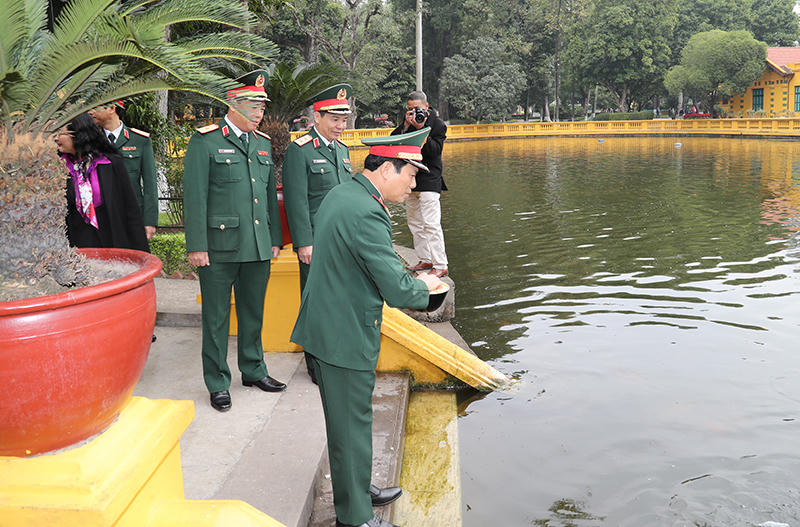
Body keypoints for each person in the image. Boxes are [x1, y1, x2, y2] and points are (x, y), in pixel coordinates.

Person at [291, 128, 444, 527]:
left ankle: (359, 488)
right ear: (389, 169)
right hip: (342, 334)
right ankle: (355, 518)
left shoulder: (346, 194)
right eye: (411, 175)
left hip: (333, 324)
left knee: (353, 422)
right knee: (349, 429)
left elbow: (364, 260)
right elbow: (396, 288)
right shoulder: (365, 210)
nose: (413, 185)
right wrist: (426, 287)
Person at [183, 69, 285, 412]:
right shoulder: (206, 141)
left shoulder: (262, 144)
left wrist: (274, 238)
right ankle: (217, 381)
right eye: (253, 106)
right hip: (218, 247)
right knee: (215, 319)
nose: (259, 113)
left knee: (253, 312)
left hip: (256, 245)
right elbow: (194, 197)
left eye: (261, 107)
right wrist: (196, 245)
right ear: (234, 104)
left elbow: (269, 196)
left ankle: (254, 370)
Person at [283, 83, 354, 383]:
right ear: (317, 117)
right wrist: (304, 243)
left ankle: (336, 355)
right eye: (335, 119)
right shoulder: (299, 151)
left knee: (339, 300)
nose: (341, 125)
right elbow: (296, 201)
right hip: (316, 242)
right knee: (315, 303)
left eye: (344, 119)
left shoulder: (343, 150)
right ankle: (315, 364)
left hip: (342, 242)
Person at [56, 112, 149, 252]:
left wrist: (141, 250)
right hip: (76, 244)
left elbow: (130, 206)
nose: (56, 138)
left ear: (78, 134)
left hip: (111, 239)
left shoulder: (110, 162)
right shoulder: (58, 166)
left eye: (61, 133)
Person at [391, 90, 448, 277]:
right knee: (415, 223)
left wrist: (422, 129)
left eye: (417, 108)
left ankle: (440, 264)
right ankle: (425, 260)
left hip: (430, 179)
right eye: (410, 109)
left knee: (431, 224)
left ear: (426, 106)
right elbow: (393, 141)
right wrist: (406, 126)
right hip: (411, 179)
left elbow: (434, 151)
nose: (415, 112)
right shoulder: (408, 122)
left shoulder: (437, 125)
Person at [89, 100, 159, 240]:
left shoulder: (140, 140)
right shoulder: (91, 142)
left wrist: (150, 222)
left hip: (131, 216)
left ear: (112, 108)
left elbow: (150, 184)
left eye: (94, 108)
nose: (90, 113)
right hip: (100, 217)